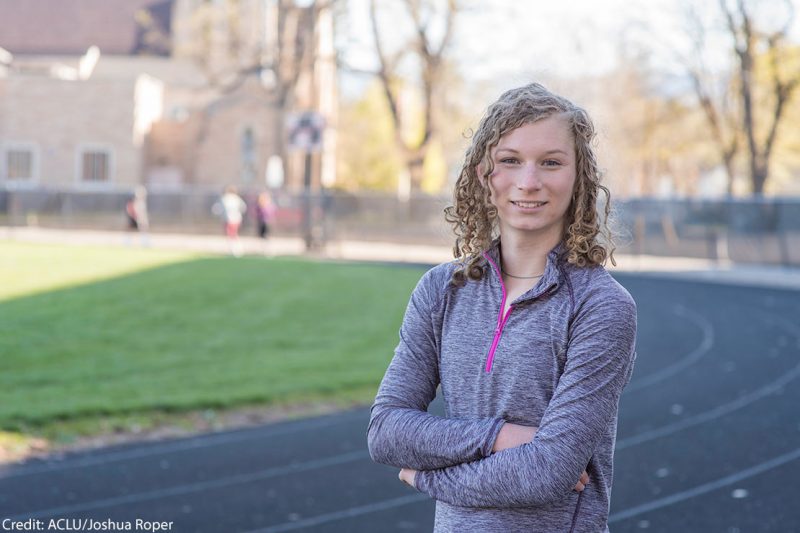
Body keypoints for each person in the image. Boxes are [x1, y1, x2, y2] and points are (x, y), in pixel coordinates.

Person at [367, 83, 637, 532]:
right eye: (510, 161)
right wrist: (500, 437)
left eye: (550, 162)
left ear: (578, 178)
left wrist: (422, 476)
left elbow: (548, 473)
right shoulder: (440, 290)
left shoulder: (601, 306)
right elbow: (386, 432)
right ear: (483, 175)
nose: (528, 182)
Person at [213, 185, 247, 257]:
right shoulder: (237, 198)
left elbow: (217, 209)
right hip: (236, 218)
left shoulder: (225, 198)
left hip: (229, 219)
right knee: (234, 234)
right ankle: (235, 249)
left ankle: (235, 250)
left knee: (231, 234)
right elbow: (243, 207)